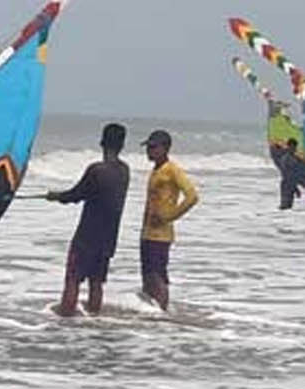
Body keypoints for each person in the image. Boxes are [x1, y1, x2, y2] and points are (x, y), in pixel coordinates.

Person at [43, 123, 132, 317]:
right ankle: (93, 320)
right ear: (122, 145)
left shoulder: (97, 170)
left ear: (102, 142)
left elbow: (76, 195)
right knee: (96, 282)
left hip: (87, 236)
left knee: (73, 279)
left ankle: (65, 320)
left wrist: (56, 196)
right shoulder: (124, 171)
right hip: (108, 238)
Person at [138, 129, 198, 312]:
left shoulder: (172, 170)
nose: (149, 151)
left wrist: (170, 216)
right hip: (147, 232)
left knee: (158, 276)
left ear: (165, 148)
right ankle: (150, 310)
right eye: (148, 147)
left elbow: (192, 196)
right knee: (148, 276)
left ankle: (162, 313)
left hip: (161, 234)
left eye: (153, 147)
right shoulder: (156, 170)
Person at [273, 136, 305, 210]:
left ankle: (281, 215)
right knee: (285, 205)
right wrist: (295, 188)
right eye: (292, 147)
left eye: (295, 147)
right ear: (288, 146)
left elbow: (302, 167)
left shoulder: (294, 158)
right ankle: (278, 215)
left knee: (288, 206)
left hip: (291, 183)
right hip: (287, 184)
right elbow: (287, 174)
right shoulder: (286, 158)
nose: (294, 149)